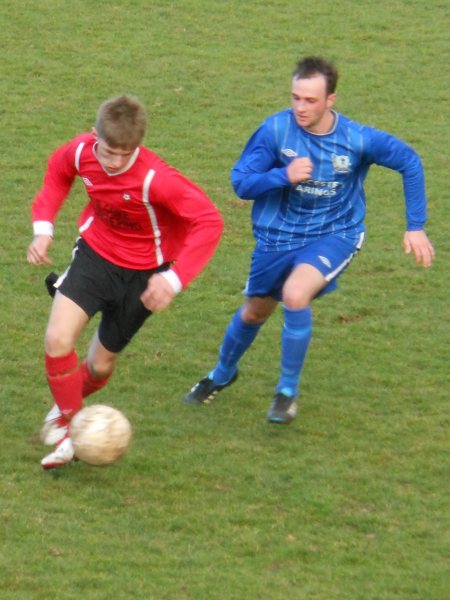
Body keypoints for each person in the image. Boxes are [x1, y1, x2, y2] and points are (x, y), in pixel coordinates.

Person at [183, 56, 435, 424]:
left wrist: (415, 224)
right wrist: (282, 175)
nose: (301, 107)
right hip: (277, 237)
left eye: (311, 100)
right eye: (296, 98)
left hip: (335, 234)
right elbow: (241, 182)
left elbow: (409, 161)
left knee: (295, 295)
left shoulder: (356, 140)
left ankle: (286, 392)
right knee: (254, 311)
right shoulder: (274, 132)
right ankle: (222, 374)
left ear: (331, 99)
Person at [27, 95, 224, 468]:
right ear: (94, 136)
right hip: (95, 257)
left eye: (125, 153)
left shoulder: (157, 179)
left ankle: (65, 409)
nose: (115, 162)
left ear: (139, 145)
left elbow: (209, 221)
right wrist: (43, 229)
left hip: (145, 276)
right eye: (109, 152)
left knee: (100, 367)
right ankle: (71, 427)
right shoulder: (81, 152)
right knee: (57, 339)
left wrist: (174, 278)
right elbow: (57, 173)